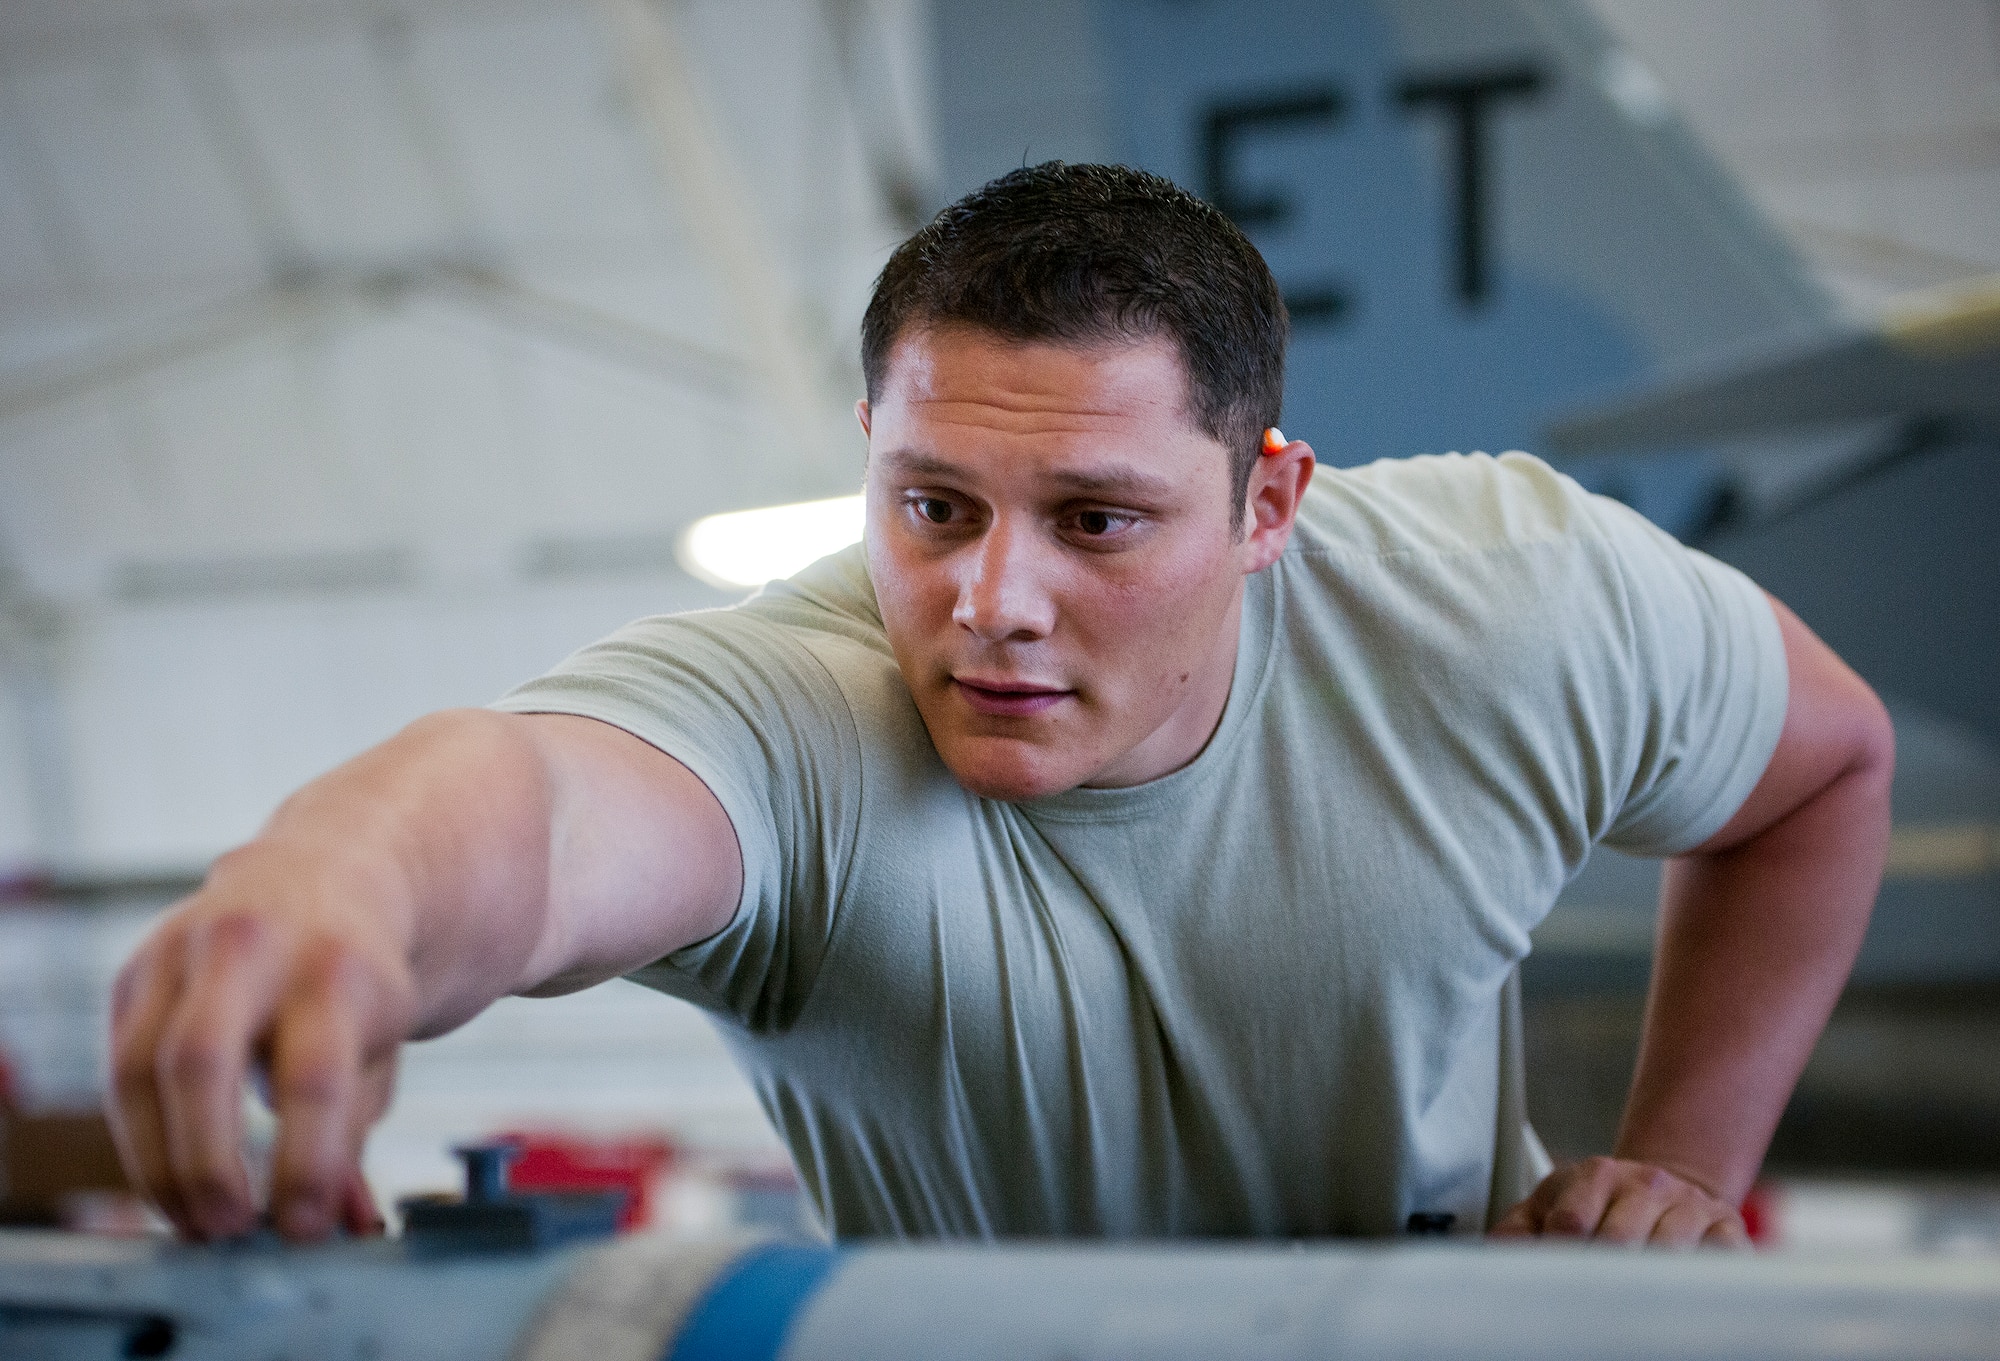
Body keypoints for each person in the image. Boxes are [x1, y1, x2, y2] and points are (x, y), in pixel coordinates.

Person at [106, 164, 1892, 1247]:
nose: (990, 603)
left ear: (1269, 506)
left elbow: (1823, 769)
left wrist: (1679, 1171)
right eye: (931, 506)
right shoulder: (807, 712)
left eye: (1098, 520)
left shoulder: (1503, 604)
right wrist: (348, 870)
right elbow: (547, 806)